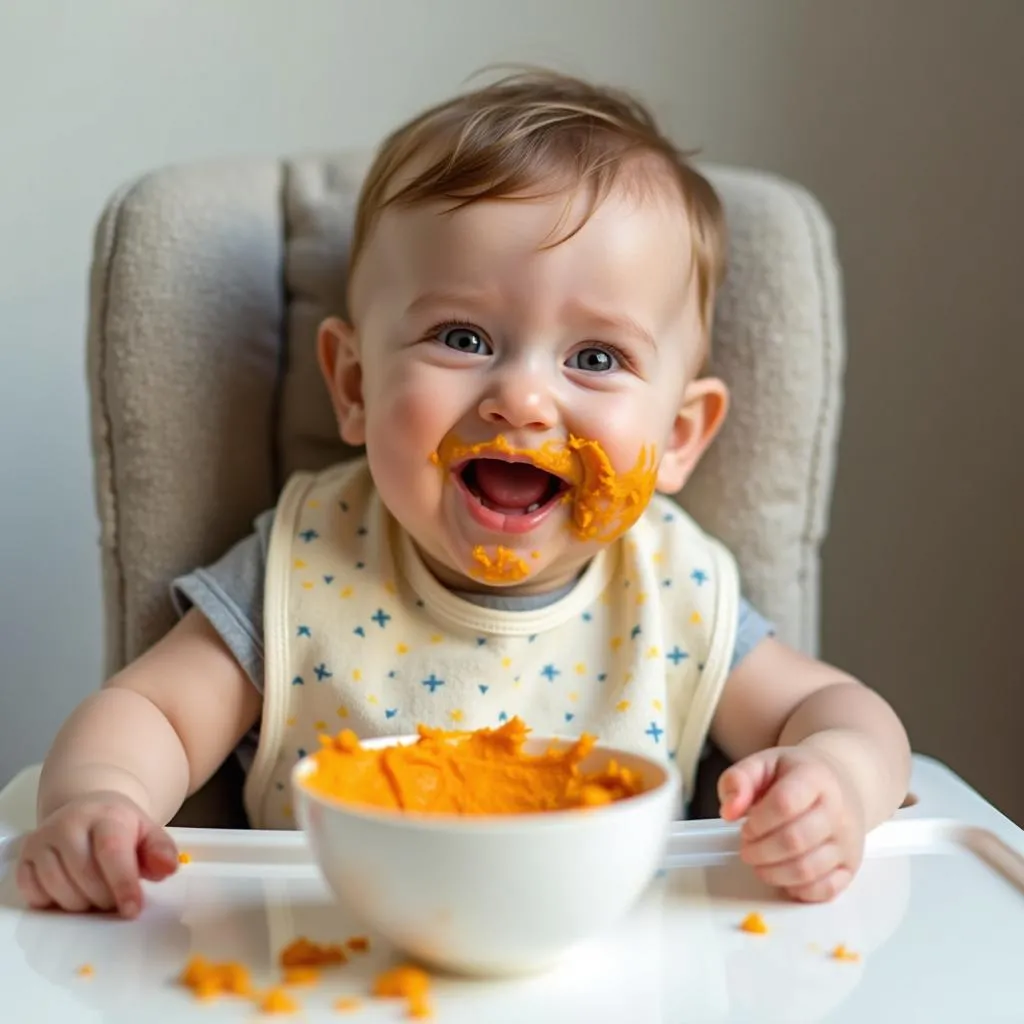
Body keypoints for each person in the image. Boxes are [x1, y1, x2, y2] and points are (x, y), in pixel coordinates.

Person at [16, 71, 910, 920]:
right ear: (356, 386)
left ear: (678, 437)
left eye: (595, 358)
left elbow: (835, 712)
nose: (521, 397)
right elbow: (155, 714)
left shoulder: (670, 586)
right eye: (462, 335)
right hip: (328, 970)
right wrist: (104, 800)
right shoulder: (309, 558)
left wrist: (835, 778)